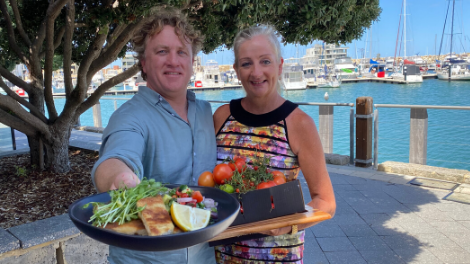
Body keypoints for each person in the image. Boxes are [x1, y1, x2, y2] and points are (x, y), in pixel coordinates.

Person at [91, 9, 217, 264]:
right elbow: (117, 156)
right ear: (144, 64)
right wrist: (119, 177)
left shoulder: (205, 111)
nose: (173, 60)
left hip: (205, 256)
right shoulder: (129, 116)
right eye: (162, 51)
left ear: (192, 62)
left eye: (182, 52)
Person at [212, 25, 336, 263]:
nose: (256, 72)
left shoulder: (299, 123)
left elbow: (326, 202)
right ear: (237, 70)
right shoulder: (222, 116)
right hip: (223, 257)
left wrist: (286, 225)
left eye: (265, 61)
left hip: (279, 257)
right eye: (246, 63)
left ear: (279, 66)